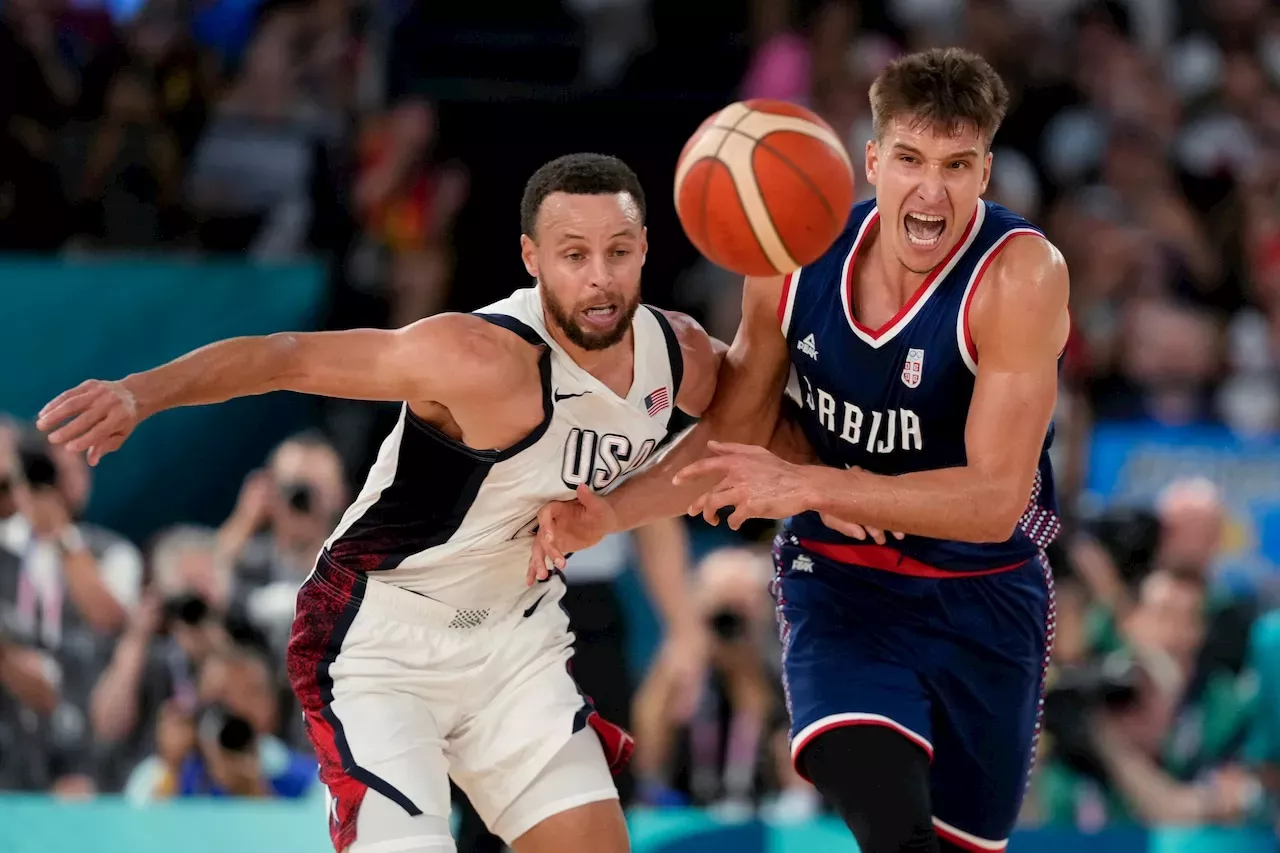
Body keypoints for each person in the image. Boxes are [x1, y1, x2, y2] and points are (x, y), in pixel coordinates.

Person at [36, 153, 722, 853]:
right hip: (381, 639)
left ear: (644, 249)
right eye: (574, 254)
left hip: (516, 638)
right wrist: (141, 392)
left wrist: (775, 278)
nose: (600, 276)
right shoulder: (476, 357)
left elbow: (754, 423)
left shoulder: (679, 355)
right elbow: (287, 357)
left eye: (617, 250)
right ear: (532, 258)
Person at [529, 48, 1071, 853]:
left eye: (958, 165)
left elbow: (995, 502)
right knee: (886, 817)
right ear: (873, 160)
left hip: (983, 594)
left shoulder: (1020, 275)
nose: (932, 191)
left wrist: (815, 484)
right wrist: (608, 511)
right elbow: (736, 437)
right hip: (840, 586)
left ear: (985, 171)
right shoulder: (792, 253)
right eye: (912, 161)